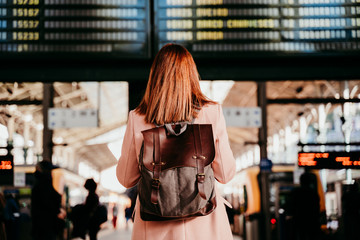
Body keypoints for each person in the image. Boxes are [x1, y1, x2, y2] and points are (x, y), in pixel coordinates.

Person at [116, 43, 236, 240]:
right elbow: (226, 173)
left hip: (155, 228)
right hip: (205, 227)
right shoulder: (211, 112)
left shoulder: (137, 118)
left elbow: (126, 178)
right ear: (191, 75)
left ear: (155, 77)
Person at [31, 160, 66, 240]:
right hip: (46, 228)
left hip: (40, 228)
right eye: (50, 171)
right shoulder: (44, 186)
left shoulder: (38, 186)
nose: (52, 174)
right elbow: (51, 204)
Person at [289, 172, 321, 240]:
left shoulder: (296, 192)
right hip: (311, 221)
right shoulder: (313, 193)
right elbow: (317, 208)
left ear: (300, 181)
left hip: (299, 220)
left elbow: (291, 206)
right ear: (309, 182)